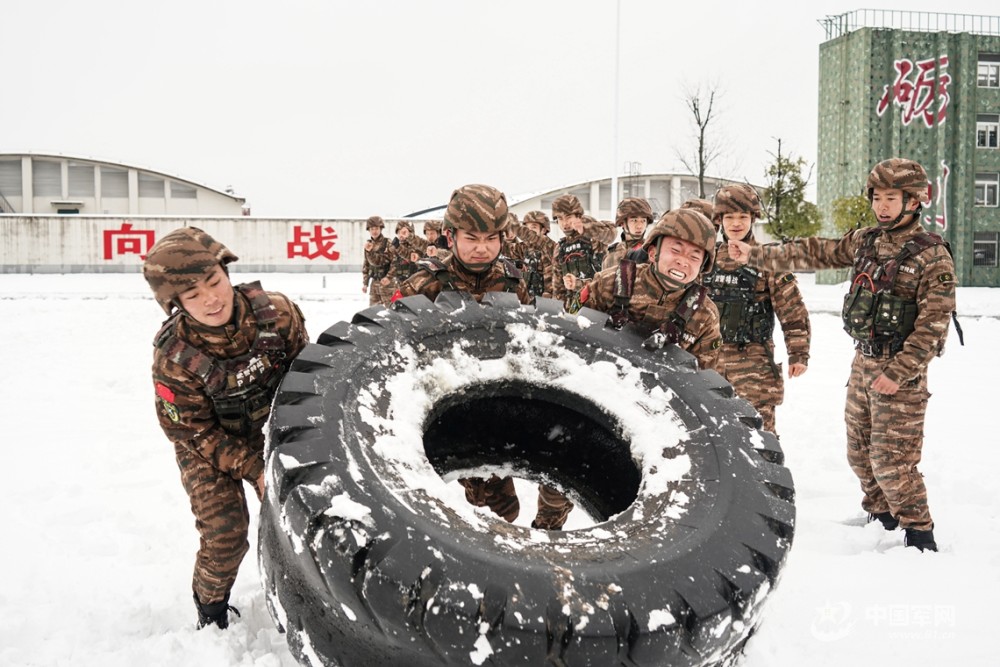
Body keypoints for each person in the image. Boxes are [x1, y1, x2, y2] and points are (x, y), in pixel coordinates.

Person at [727, 158, 958, 552]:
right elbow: (817, 252)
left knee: (892, 460)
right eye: (878, 197)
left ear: (915, 201)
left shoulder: (931, 256)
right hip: (864, 362)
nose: (882, 206)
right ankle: (882, 519)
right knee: (859, 451)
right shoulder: (867, 240)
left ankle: (920, 537)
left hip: (899, 372)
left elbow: (933, 325)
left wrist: (899, 372)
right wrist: (756, 256)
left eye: (893, 198)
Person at [143, 227, 309, 628]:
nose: (211, 299)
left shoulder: (278, 314)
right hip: (210, 446)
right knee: (226, 535)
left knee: (313, 509)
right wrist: (255, 470)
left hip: (274, 427)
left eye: (214, 281)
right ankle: (212, 610)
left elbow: (308, 382)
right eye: (193, 295)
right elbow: (193, 433)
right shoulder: (175, 359)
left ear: (226, 269)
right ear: (175, 303)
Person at [395, 184, 573, 530]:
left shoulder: (512, 281)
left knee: (505, 510)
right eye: (472, 238)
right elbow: (394, 348)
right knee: (472, 511)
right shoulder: (424, 284)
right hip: (443, 406)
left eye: (491, 238)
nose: (482, 248)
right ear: (450, 235)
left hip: (496, 400)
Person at [703, 184, 811, 435]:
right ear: (719, 220)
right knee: (714, 438)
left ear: (753, 218)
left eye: (743, 217)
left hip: (754, 365)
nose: (736, 223)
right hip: (711, 363)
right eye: (729, 217)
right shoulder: (708, 258)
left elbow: (792, 309)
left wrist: (799, 352)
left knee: (759, 438)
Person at [580, 208, 722, 372]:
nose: (683, 261)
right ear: (653, 253)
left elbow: (702, 378)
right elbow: (572, 326)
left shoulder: (705, 314)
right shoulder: (608, 282)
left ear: (702, 266)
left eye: (694, 257)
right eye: (675, 250)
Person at [550, 194, 615, 311]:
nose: (565, 223)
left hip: (598, 307)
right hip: (574, 310)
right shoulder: (560, 248)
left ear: (578, 215)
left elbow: (611, 233)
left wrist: (586, 229)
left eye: (568, 217)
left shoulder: (593, 235)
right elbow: (558, 288)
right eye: (560, 219)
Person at [512, 210, 556, 299]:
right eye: (526, 227)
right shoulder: (523, 247)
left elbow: (551, 280)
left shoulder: (550, 246)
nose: (529, 231)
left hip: (544, 302)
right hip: (526, 299)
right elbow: (505, 250)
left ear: (543, 230)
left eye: (533, 227)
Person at [602, 197, 654, 270]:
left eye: (643, 221)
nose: (639, 226)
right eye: (634, 220)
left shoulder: (651, 249)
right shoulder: (612, 253)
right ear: (622, 223)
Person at [382, 220, 428, 293]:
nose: (401, 235)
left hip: (415, 285)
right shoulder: (395, 247)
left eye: (404, 232)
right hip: (399, 283)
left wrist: (398, 247)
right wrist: (388, 277)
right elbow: (394, 264)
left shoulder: (417, 246)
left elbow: (412, 257)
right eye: (399, 232)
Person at [362, 216, 392, 306]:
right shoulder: (368, 244)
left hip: (387, 283)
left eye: (377, 228)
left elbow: (393, 262)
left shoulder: (388, 243)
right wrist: (365, 283)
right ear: (369, 230)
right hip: (374, 282)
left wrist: (389, 278)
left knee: (390, 311)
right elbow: (366, 265)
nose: (374, 231)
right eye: (372, 229)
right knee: (373, 312)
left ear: (381, 229)